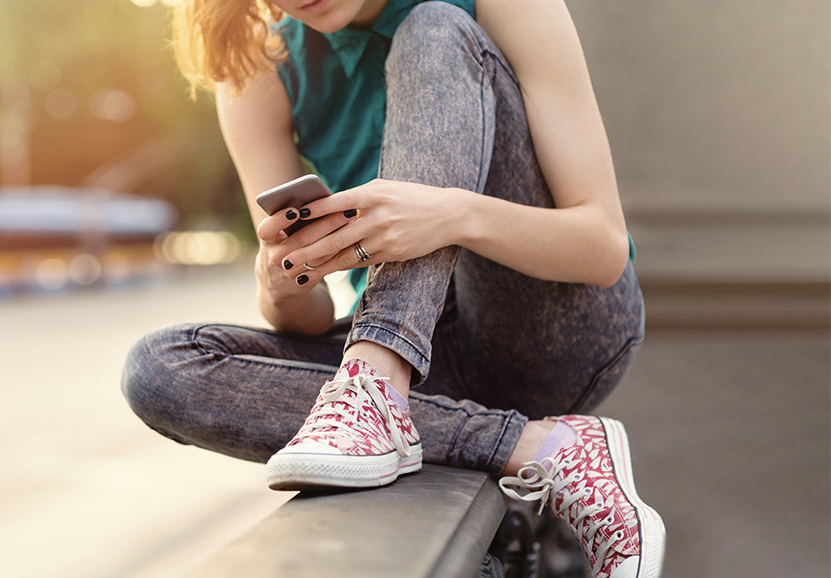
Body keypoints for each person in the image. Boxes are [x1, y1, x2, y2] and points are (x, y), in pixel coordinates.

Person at [121, 1, 665, 576]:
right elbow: (307, 315)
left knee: (432, 26)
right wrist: (281, 284)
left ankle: (377, 381)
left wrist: (452, 215)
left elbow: (602, 248)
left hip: (552, 331)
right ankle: (536, 448)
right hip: (427, 373)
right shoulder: (261, 62)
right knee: (159, 367)